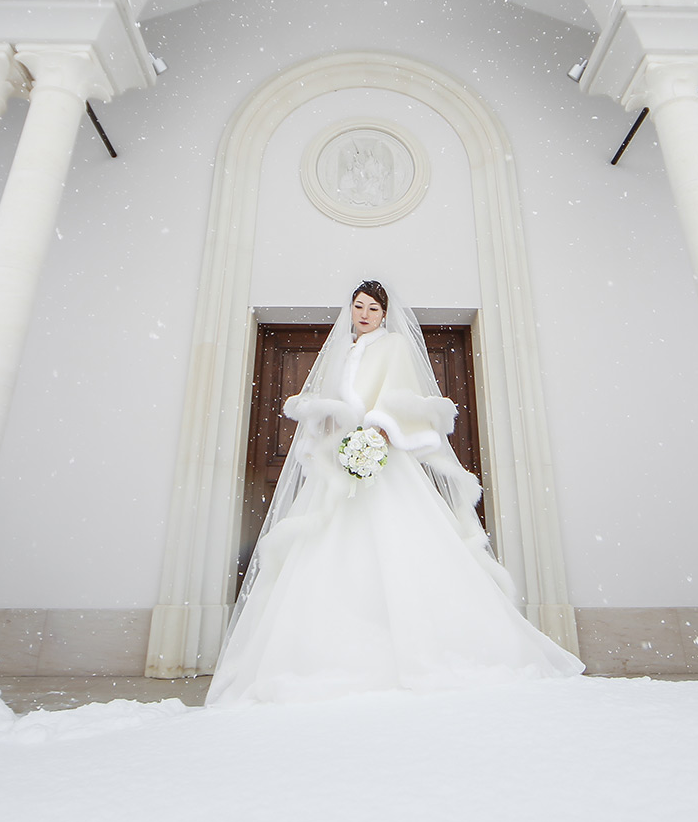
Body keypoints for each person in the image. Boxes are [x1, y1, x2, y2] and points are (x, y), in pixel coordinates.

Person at [206, 280, 583, 706]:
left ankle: (428, 650)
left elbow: (399, 397)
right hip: (340, 466)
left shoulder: (394, 348)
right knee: (328, 550)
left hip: (383, 458)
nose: (364, 314)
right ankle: (328, 657)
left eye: (372, 308)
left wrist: (376, 435)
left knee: (403, 545)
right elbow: (330, 404)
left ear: (385, 314)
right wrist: (334, 432)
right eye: (358, 306)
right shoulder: (342, 351)